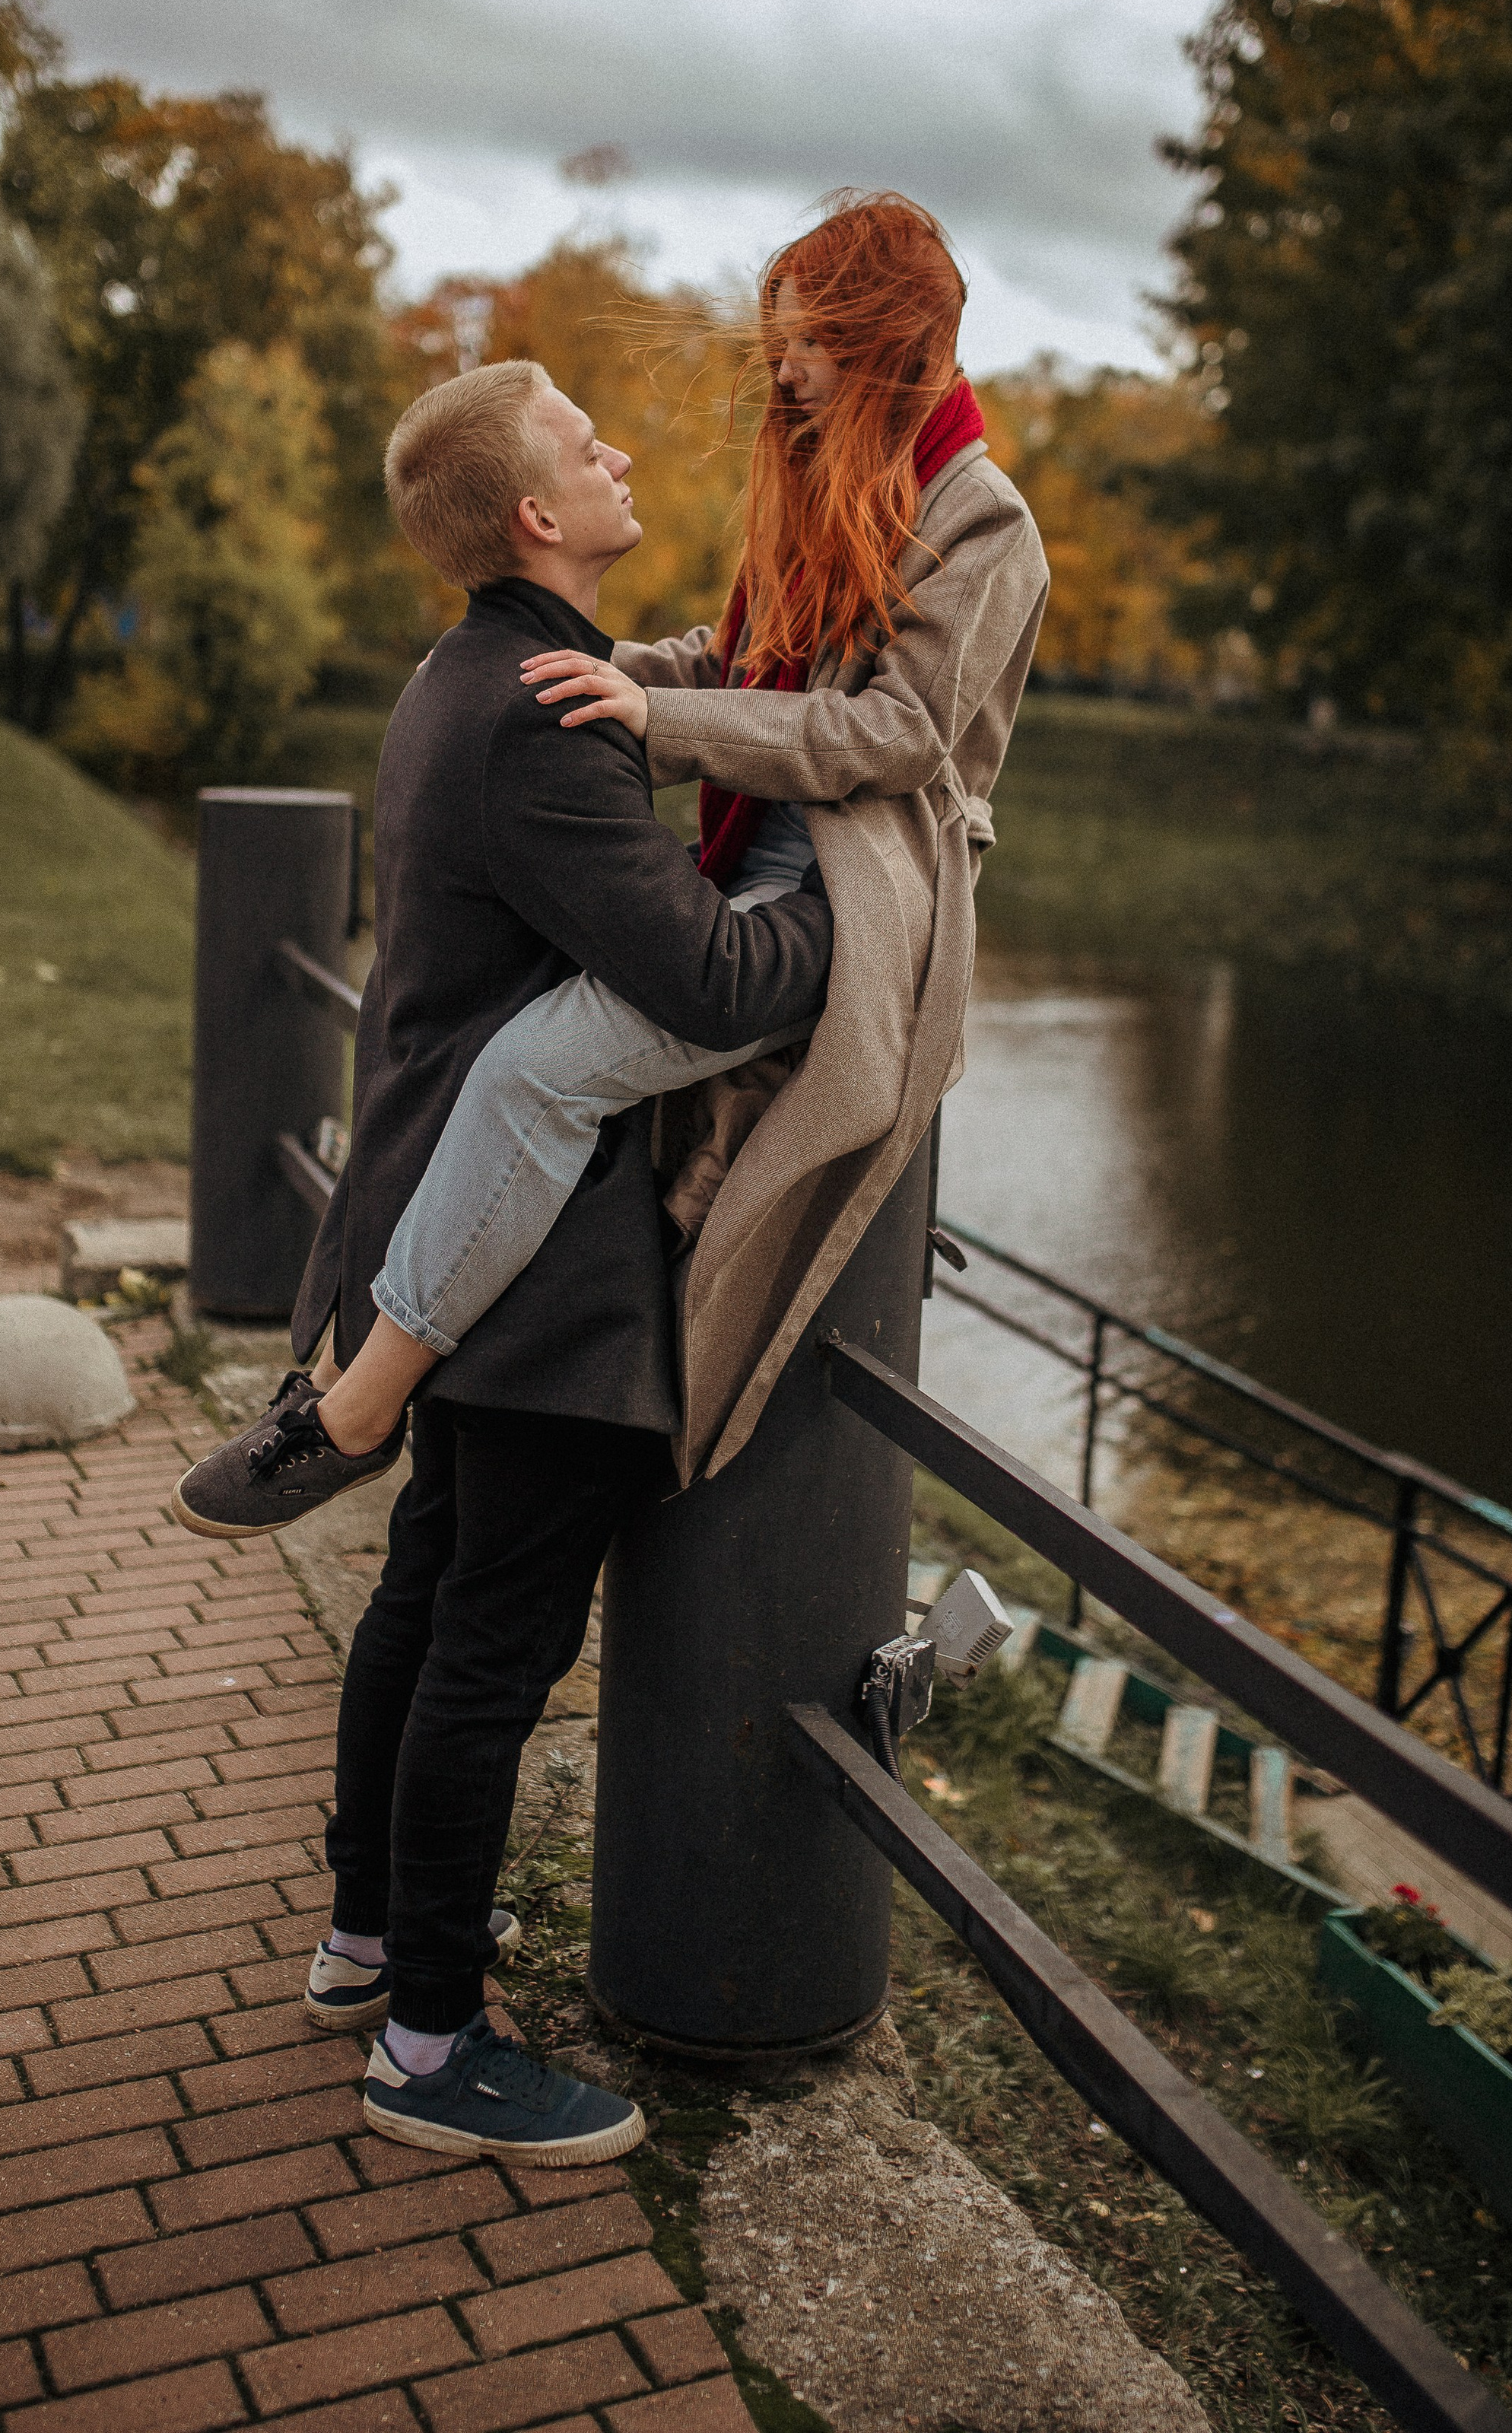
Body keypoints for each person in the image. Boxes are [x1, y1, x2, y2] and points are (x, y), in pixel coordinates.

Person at [176, 358, 837, 2167]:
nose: (617, 447)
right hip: (533, 1273)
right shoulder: (545, 714)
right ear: (535, 513)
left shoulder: (449, 676)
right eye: (579, 437)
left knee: (425, 1590)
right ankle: (431, 2043)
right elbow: (702, 982)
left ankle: (370, 1937)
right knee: (487, 1641)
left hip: (426, 1215)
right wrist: (831, 930)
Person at [176, 191, 1049, 1503]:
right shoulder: (831, 480)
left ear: (890, 338)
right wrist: (547, 673)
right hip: (762, 864)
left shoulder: (984, 519)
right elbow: (733, 658)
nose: (784, 364)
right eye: (781, 334)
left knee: (536, 1069)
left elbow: (901, 734)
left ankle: (359, 1406)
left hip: (863, 901)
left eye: (809, 338)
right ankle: (391, 1386)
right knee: (527, 1066)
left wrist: (658, 715)